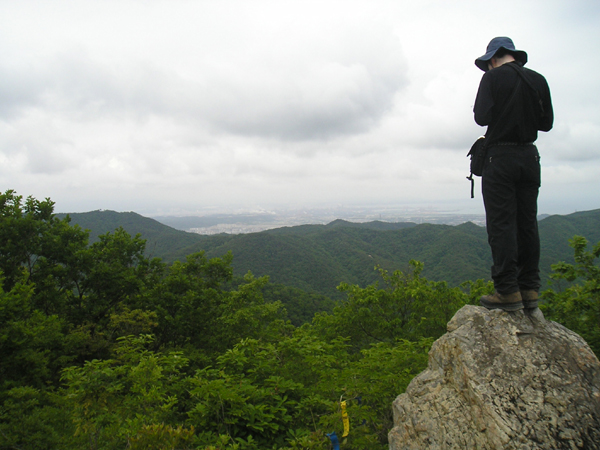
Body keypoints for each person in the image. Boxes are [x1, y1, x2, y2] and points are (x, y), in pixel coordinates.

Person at [473, 37, 554, 311]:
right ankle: (529, 289)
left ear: (493, 58)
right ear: (514, 56)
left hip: (501, 158)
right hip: (530, 157)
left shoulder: (492, 79)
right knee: (527, 223)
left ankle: (507, 291)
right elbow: (547, 124)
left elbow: (481, 117)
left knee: (502, 224)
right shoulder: (538, 80)